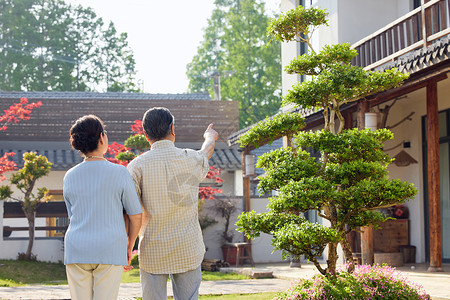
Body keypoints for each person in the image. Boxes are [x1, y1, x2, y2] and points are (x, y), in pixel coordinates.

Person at [127, 107, 219, 300]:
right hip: (188, 248)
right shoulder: (190, 158)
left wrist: (127, 246)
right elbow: (206, 152)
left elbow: (131, 212)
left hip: (152, 249)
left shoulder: (136, 166)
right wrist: (209, 137)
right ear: (173, 129)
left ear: (145, 135)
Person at [63, 115, 142, 300]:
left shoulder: (69, 176)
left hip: (76, 248)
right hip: (110, 247)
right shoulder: (120, 172)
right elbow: (135, 215)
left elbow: (72, 215)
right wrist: (129, 245)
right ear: (101, 137)